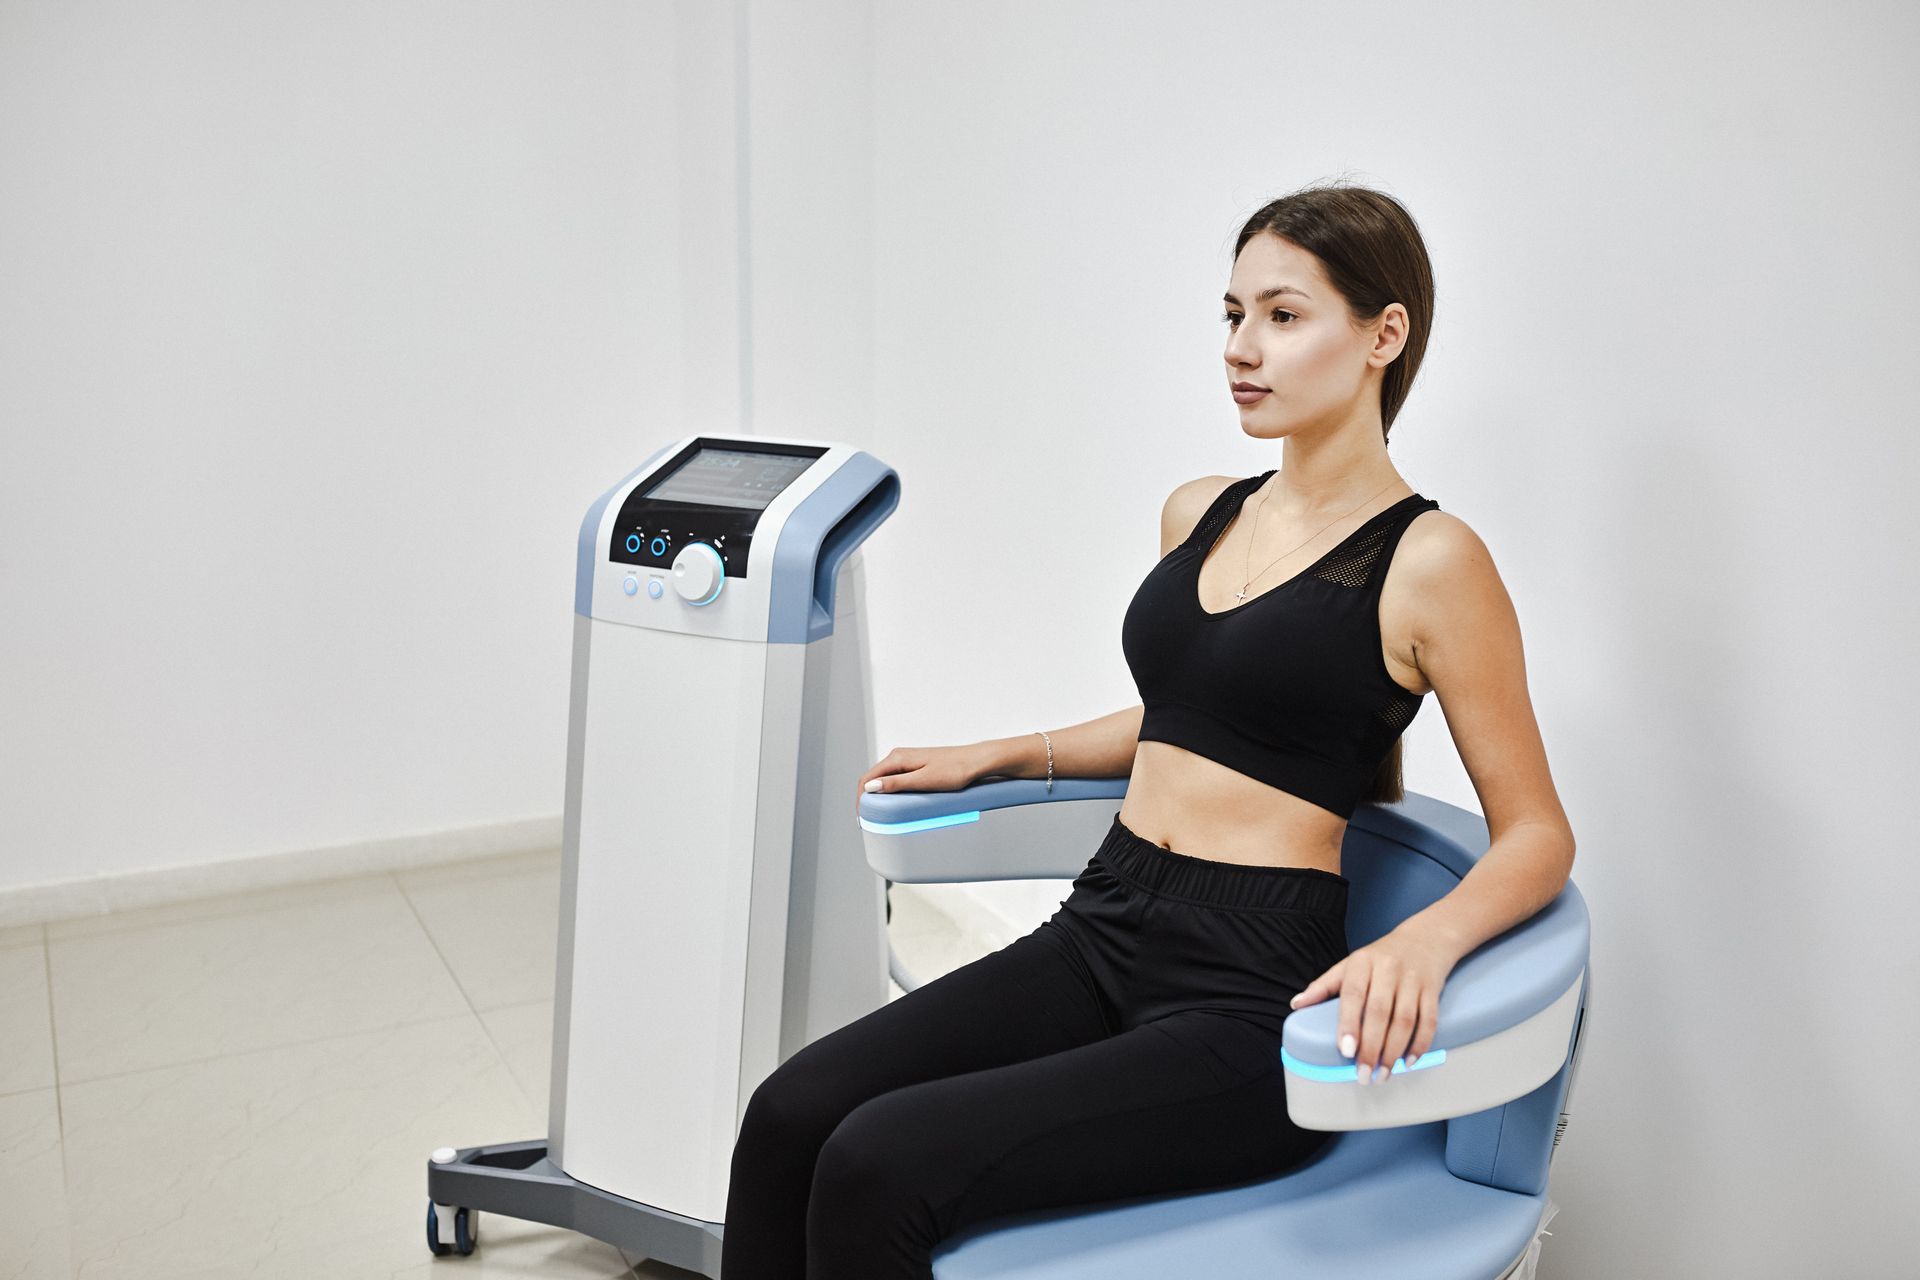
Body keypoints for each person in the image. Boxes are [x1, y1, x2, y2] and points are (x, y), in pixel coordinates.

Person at [720, 182, 1578, 1278]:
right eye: (1232, 315)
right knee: (791, 1112)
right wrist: (1016, 748)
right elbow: (1201, 719)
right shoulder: (1202, 510)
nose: (1242, 347)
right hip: (1104, 924)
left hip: (1244, 998)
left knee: (878, 1163)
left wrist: (1423, 938)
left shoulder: (1431, 560)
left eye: (1282, 314)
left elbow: (1538, 832)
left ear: (1384, 334)